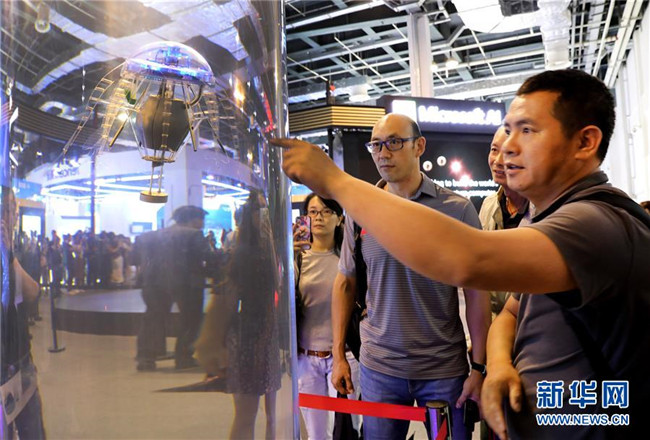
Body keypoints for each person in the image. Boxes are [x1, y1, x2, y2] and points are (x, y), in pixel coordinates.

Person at [273, 69, 650, 440]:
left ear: (585, 142)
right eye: (508, 129)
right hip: (384, 366)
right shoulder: (550, 218)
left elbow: (471, 261)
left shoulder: (595, 223)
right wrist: (499, 363)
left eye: (527, 130)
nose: (507, 146)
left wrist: (336, 182)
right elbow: (513, 311)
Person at [324, 113, 490, 439]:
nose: (383, 153)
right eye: (376, 145)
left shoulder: (456, 209)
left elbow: (476, 292)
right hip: (380, 368)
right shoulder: (361, 209)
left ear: (419, 146)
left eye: (394, 143)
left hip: (443, 370)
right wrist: (339, 354)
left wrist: (479, 368)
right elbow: (345, 282)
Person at [294, 193, 361, 440]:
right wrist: (285, 260)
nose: (318, 218)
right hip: (306, 358)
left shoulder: (348, 259)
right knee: (316, 434)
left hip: (345, 356)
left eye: (326, 211)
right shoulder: (297, 259)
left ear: (339, 218)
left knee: (347, 429)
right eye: (312, 212)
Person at [223, 189, 280, 440]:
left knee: (271, 416)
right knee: (247, 414)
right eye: (259, 210)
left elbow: (278, 287)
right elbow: (232, 298)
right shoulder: (245, 252)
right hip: (249, 335)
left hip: (267, 333)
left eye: (266, 210)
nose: (264, 215)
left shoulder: (267, 249)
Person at [133, 205, 211, 371]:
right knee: (190, 320)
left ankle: (146, 358)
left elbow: (135, 258)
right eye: (202, 219)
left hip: (153, 283)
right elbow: (208, 257)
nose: (203, 223)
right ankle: (183, 357)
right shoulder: (194, 234)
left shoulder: (151, 235)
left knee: (153, 319)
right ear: (194, 219)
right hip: (187, 283)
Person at [1, 187, 46, 438]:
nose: (12, 216)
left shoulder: (16, 249)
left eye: (14, 210)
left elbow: (32, 292)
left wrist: (9, 255)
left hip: (22, 360)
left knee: (33, 431)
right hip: (2, 364)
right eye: (7, 209)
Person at [478, 127, 531, 315]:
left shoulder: (544, 210)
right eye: (494, 150)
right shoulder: (489, 205)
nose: (498, 161)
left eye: (509, 152)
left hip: (530, 322)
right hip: (494, 322)